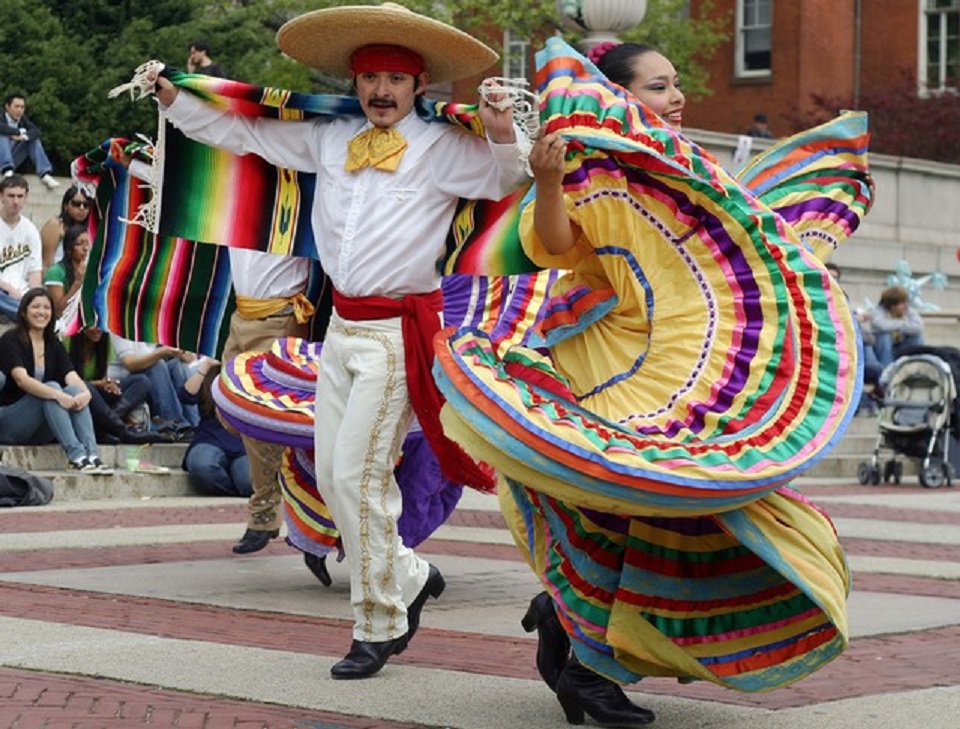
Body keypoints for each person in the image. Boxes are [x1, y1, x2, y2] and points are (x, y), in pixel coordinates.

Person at [433, 38, 865, 726]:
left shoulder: (689, 169)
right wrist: (546, 180)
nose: (677, 97)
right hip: (617, 364)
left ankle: (565, 621)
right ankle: (585, 668)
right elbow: (554, 243)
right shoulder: (593, 168)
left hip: (693, 362)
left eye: (674, 84)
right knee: (636, 510)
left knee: (702, 516)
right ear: (621, 97)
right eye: (660, 87)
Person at [151, 1, 527, 679]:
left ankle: (377, 622)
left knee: (359, 477)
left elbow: (509, 179)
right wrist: (178, 98)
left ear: (419, 86)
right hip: (339, 330)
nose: (381, 90)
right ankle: (410, 572)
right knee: (333, 478)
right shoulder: (329, 138)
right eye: (370, 76)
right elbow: (246, 134)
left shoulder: (443, 147)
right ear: (355, 83)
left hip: (395, 333)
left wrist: (501, 131)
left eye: (395, 78)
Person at [114, 140, 315, 554]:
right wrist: (132, 165)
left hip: (280, 322)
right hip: (243, 319)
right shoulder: (239, 197)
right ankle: (287, 508)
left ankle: (271, 516)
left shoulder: (308, 201)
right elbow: (184, 188)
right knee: (232, 412)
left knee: (267, 425)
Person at [0, 287, 111, 472]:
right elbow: (22, 380)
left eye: (46, 308)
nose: (41, 312)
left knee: (74, 391)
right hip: (10, 423)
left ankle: (91, 455)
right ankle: (76, 456)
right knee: (53, 389)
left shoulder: (53, 343)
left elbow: (71, 376)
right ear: (24, 312)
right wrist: (57, 395)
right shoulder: (11, 339)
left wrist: (85, 394)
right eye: (35, 307)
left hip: (39, 430)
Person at [65, 326, 160, 445]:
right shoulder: (67, 340)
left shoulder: (106, 340)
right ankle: (121, 430)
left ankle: (105, 426)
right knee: (87, 388)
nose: (98, 329)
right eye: (93, 324)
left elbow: (103, 376)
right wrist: (97, 384)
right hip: (75, 394)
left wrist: (108, 385)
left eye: (101, 324)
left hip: (97, 396)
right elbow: (64, 380)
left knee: (141, 381)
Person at [179, 358, 251, 497]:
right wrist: (206, 365)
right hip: (210, 439)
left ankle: (236, 485)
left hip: (243, 443)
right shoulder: (207, 371)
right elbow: (186, 396)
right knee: (203, 468)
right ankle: (233, 489)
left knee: (248, 483)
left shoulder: (248, 370)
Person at [108, 333, 198, 439]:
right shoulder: (121, 329)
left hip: (151, 383)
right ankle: (173, 423)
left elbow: (191, 360)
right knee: (157, 365)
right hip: (124, 384)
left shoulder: (155, 329)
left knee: (178, 366)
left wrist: (182, 353)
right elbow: (130, 364)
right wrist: (161, 353)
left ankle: (194, 425)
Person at [826, 263, 882, 414]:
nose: (833, 280)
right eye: (830, 276)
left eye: (836, 277)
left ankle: (868, 399)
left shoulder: (841, 297)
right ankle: (866, 401)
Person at [0, 174, 42, 322]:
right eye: (11, 196)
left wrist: (33, 295)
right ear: (1, 196)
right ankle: (29, 315)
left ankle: (26, 311)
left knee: (44, 292)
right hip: (4, 291)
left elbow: (35, 271)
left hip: (22, 292)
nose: (15, 201)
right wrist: (12, 291)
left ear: (26, 197)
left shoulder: (30, 230)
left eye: (20, 196)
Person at [0, 94, 59, 189]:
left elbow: (36, 131)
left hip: (13, 158)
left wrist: (24, 136)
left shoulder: (22, 119)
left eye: (22, 107)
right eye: (16, 106)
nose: (19, 110)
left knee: (33, 139)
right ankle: (7, 169)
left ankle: (44, 173)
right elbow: (2, 128)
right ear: (7, 107)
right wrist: (16, 132)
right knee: (2, 135)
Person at [39, 185, 92, 276]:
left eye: (86, 205)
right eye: (76, 204)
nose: (81, 208)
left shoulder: (90, 229)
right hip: (58, 279)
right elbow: (46, 263)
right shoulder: (55, 224)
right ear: (66, 205)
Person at [44, 223, 89, 320]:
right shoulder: (56, 272)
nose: (86, 248)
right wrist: (77, 282)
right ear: (69, 249)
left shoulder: (94, 269)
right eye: (80, 244)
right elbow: (59, 311)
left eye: (87, 243)